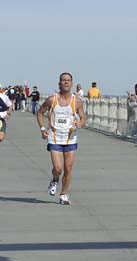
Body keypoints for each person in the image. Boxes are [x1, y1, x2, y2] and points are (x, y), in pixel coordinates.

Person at [37, 72, 87, 205]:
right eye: (63, 80)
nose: (66, 82)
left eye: (68, 80)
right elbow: (40, 113)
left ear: (72, 83)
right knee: (58, 168)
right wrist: (42, 129)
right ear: (59, 83)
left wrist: (80, 123)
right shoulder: (51, 100)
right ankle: (54, 179)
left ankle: (64, 194)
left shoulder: (77, 101)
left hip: (70, 138)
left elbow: (83, 117)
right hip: (54, 137)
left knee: (68, 168)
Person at [0, 83, 13, 157]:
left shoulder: (4, 97)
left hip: (1, 119)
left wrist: (8, 113)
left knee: (0, 138)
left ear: (0, 89)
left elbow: (10, 105)